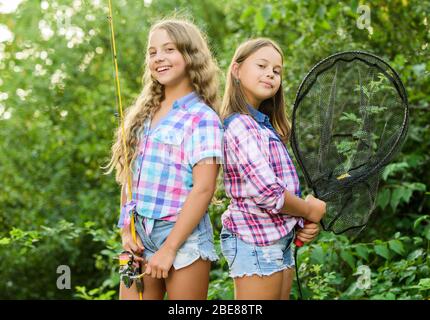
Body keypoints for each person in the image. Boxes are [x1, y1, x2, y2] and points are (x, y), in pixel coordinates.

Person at [105, 18, 223, 300]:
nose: (159, 58)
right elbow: (130, 179)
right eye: (152, 52)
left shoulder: (203, 118)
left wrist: (169, 248)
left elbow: (204, 188)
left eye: (169, 49)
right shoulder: (144, 113)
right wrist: (126, 230)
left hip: (183, 240)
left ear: (190, 55)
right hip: (139, 235)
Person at [219, 38, 326, 300]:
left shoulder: (264, 127)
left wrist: (301, 222)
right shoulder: (239, 125)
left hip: (279, 240)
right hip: (254, 241)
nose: (270, 73)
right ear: (236, 70)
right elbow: (270, 193)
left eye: (277, 71)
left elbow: (281, 191)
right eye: (262, 65)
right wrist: (309, 209)